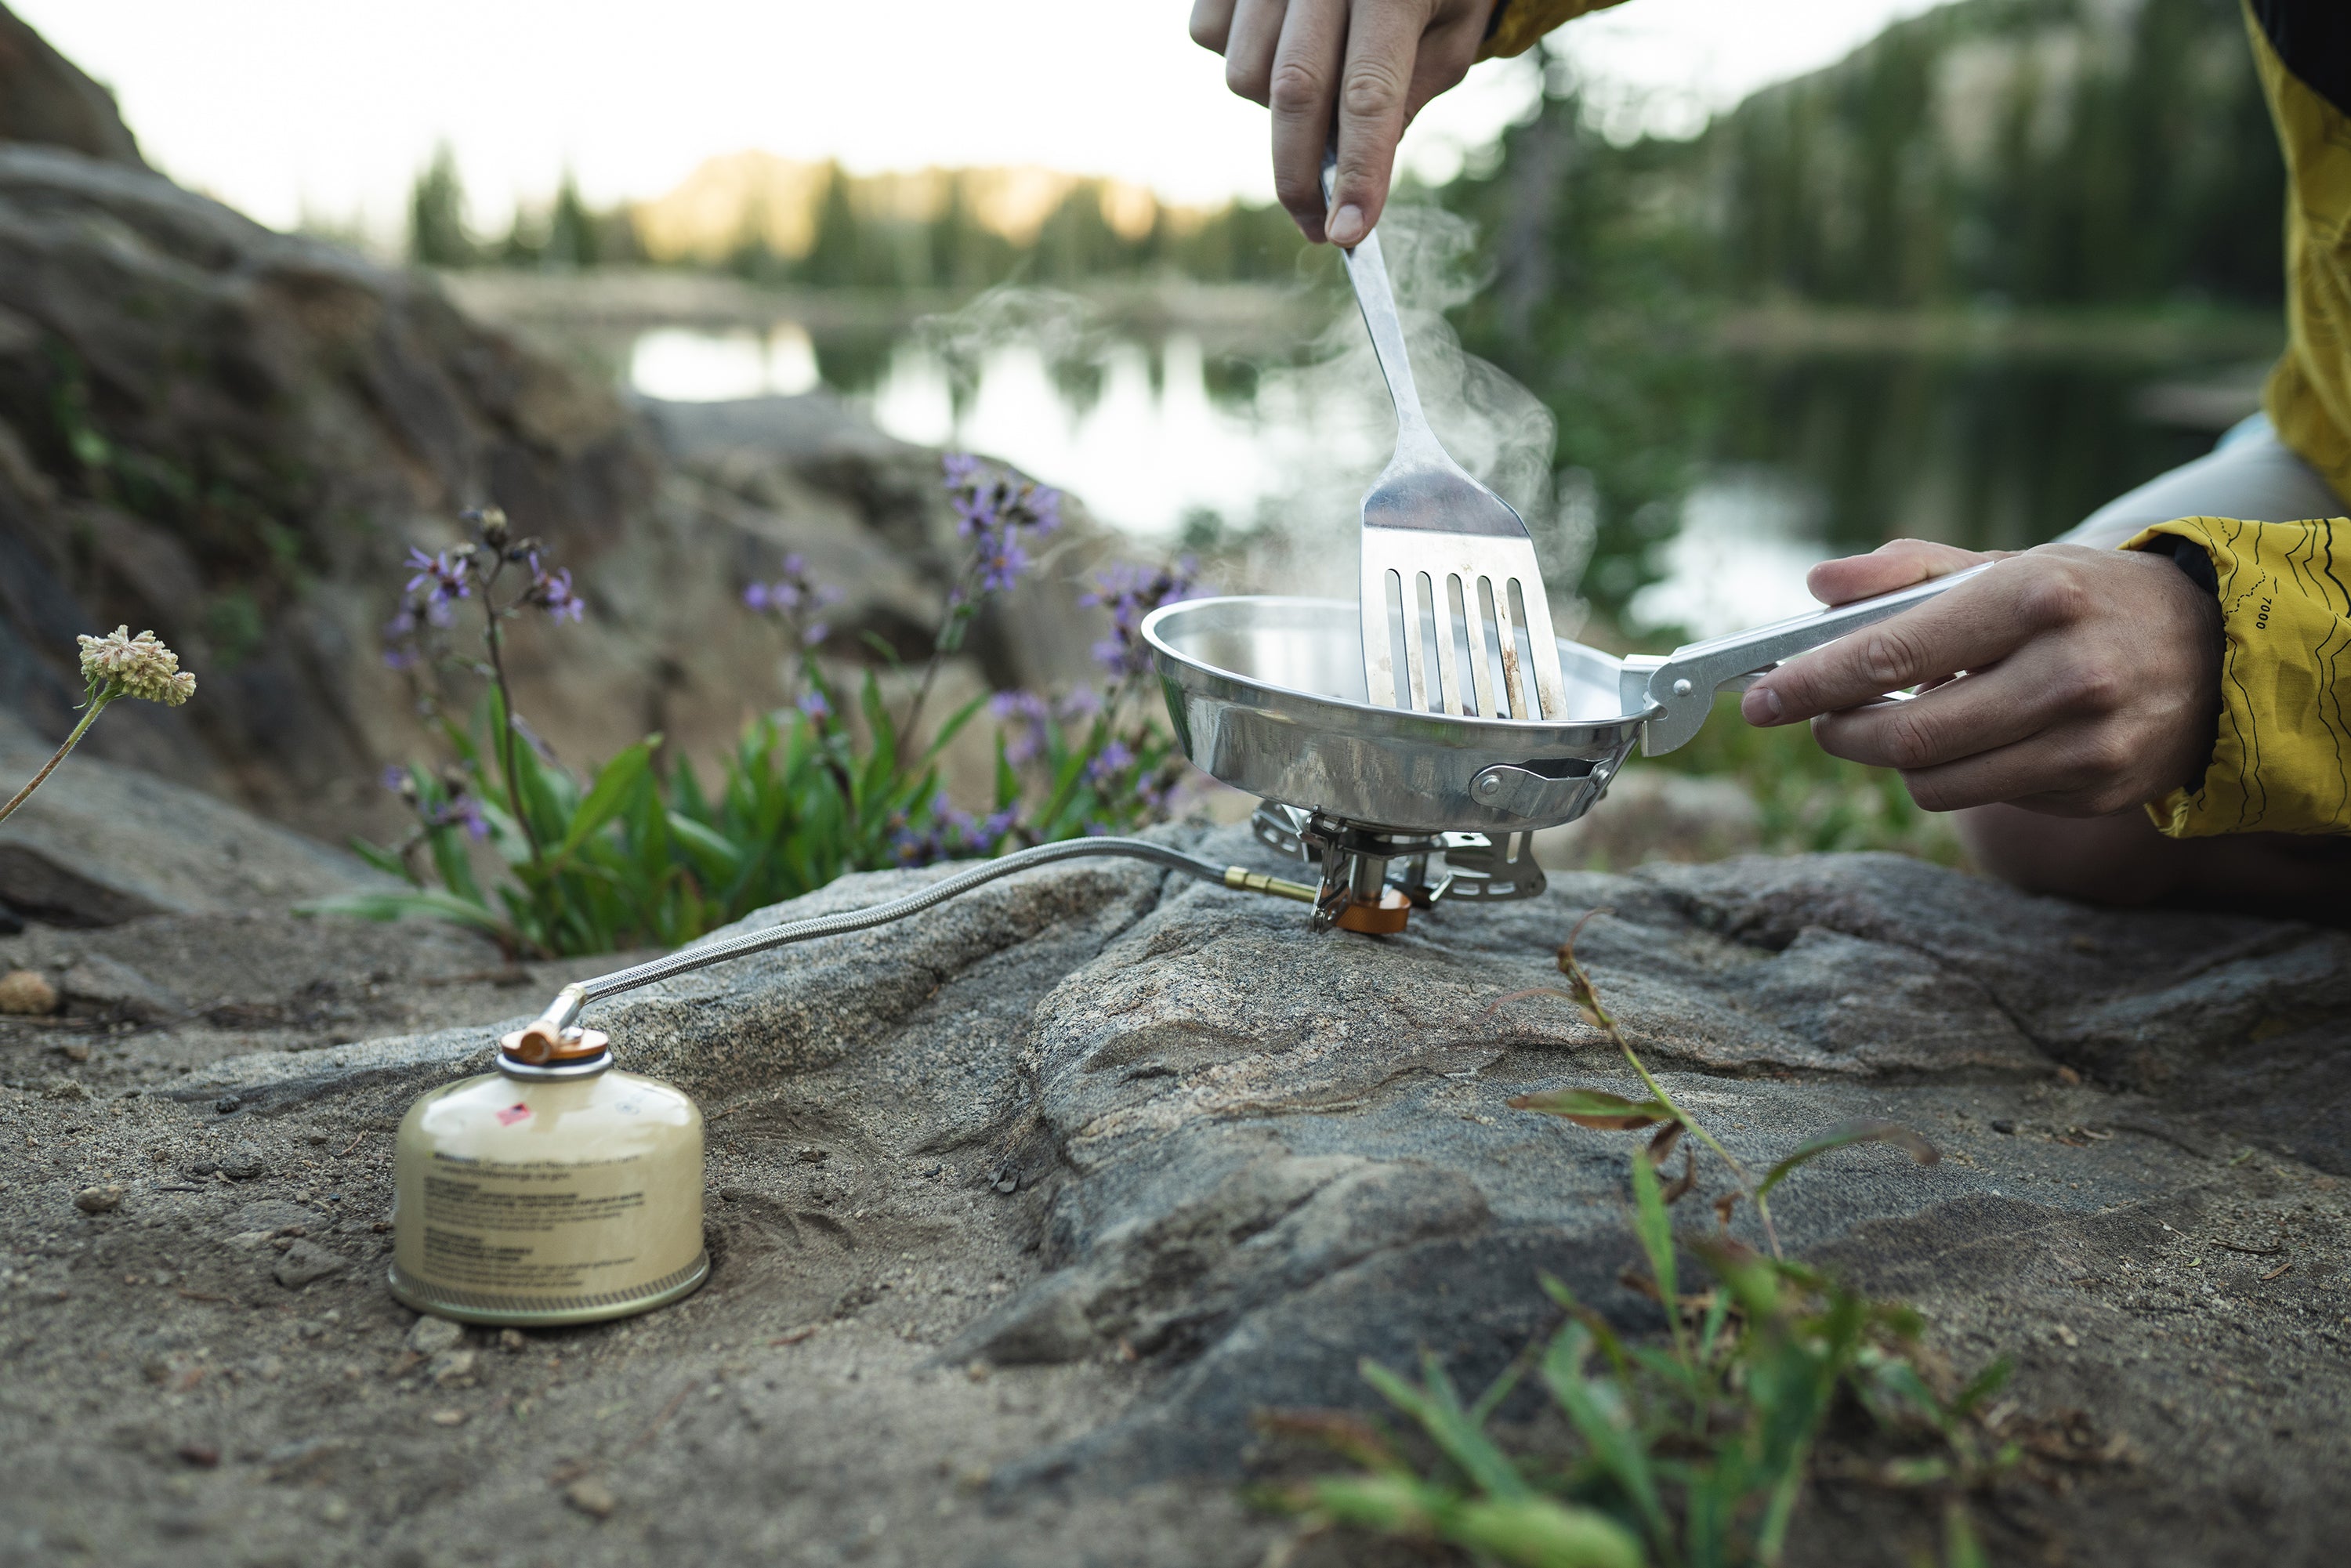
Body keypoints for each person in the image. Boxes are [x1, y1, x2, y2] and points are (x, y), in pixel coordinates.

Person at [1188, 0, 2351, 919]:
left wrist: (2237, 650)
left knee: (2139, 733)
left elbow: (2231, 670)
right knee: (2042, 788)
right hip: (2327, 426)